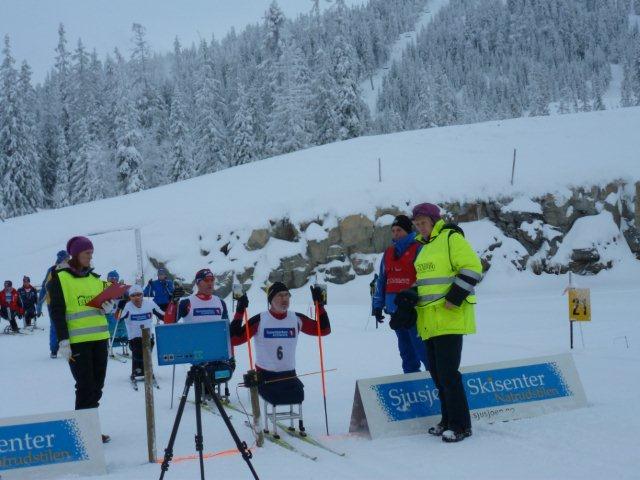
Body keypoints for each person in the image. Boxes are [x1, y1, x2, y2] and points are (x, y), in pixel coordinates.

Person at [411, 202, 482, 443]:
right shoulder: (423, 246)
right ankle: (447, 420)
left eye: (423, 222)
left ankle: (461, 425)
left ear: (433, 220)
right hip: (429, 320)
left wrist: (454, 297)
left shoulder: (451, 238)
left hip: (450, 317)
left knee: (449, 375)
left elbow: (473, 268)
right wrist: (408, 296)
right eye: (417, 223)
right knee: (437, 375)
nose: (420, 227)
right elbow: (426, 282)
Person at [48, 236, 115, 443]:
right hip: (77, 342)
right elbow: (56, 311)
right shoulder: (60, 277)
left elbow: (104, 303)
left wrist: (108, 306)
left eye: (91, 254)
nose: (90, 257)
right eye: (87, 253)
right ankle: (85, 432)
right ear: (76, 254)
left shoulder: (95, 279)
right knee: (85, 386)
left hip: (99, 339)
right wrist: (63, 340)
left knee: (97, 386)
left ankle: (90, 428)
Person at [230, 282, 331, 406]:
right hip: (266, 377)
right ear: (271, 300)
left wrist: (319, 304)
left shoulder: (296, 318)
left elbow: (324, 330)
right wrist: (240, 310)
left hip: (289, 376)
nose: (284, 299)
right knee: (277, 397)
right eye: (280, 295)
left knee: (298, 395)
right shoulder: (260, 320)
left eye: (287, 295)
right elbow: (234, 339)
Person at [372, 214, 428, 374]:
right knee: (406, 352)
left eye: (399, 230)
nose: (395, 234)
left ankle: (436, 383)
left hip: (414, 311)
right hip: (395, 311)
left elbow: (424, 279)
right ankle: (412, 384)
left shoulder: (419, 248)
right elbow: (382, 280)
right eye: (393, 230)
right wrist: (377, 305)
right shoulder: (388, 252)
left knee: (422, 350)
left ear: (408, 231)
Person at [175, 268, 233, 394]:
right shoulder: (187, 302)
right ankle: (203, 388)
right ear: (198, 283)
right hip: (195, 349)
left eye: (212, 280)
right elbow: (170, 322)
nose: (210, 283)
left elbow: (226, 330)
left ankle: (210, 388)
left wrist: (230, 353)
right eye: (206, 280)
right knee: (204, 368)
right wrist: (173, 303)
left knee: (226, 366)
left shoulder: (220, 302)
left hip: (216, 348)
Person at [119, 284, 164, 379]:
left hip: (148, 335)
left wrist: (173, 304)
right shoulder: (128, 306)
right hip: (134, 337)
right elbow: (119, 318)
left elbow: (163, 315)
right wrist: (120, 308)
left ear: (142, 295)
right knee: (138, 352)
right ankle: (137, 372)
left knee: (148, 352)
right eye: (133, 295)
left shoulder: (150, 304)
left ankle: (148, 371)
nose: (136, 298)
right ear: (130, 297)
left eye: (139, 295)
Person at [37, 250, 70, 357]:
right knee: (55, 325)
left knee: (70, 324)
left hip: (68, 302)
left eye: (68, 258)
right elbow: (44, 287)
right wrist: (39, 305)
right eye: (66, 258)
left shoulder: (70, 270)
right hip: (53, 303)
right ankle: (54, 350)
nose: (68, 260)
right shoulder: (52, 270)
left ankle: (70, 348)